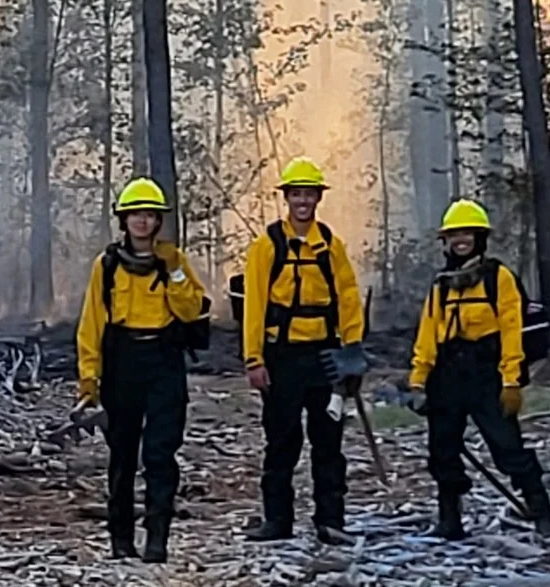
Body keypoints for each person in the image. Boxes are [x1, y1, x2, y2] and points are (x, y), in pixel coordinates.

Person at [75, 178, 208, 563]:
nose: (143, 222)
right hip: (122, 364)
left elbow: (190, 310)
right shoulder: (108, 265)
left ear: (158, 221)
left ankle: (157, 538)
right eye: (136, 214)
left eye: (149, 215)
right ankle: (120, 539)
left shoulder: (175, 262)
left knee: (161, 453)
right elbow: (92, 324)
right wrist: (89, 378)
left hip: (164, 362)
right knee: (122, 454)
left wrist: (175, 273)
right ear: (124, 219)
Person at [408, 200, 550, 540]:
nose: (461, 240)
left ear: (480, 237)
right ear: (445, 241)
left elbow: (511, 330)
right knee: (442, 450)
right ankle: (450, 520)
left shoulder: (498, 278)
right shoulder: (441, 284)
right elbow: (428, 334)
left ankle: (541, 510)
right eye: (454, 235)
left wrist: (511, 380)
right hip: (446, 376)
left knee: (508, 448)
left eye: (467, 234)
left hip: (486, 375)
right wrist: (418, 381)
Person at [240, 157, 364, 545]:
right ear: (287, 198)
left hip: (325, 358)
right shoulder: (267, 246)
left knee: (328, 442)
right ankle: (277, 521)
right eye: (296, 194)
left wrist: (353, 351)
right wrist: (254, 359)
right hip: (282, 358)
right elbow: (254, 305)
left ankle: (331, 519)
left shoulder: (331, 246)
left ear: (317, 198)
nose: (302, 201)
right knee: (281, 441)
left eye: (308, 194)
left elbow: (348, 298)